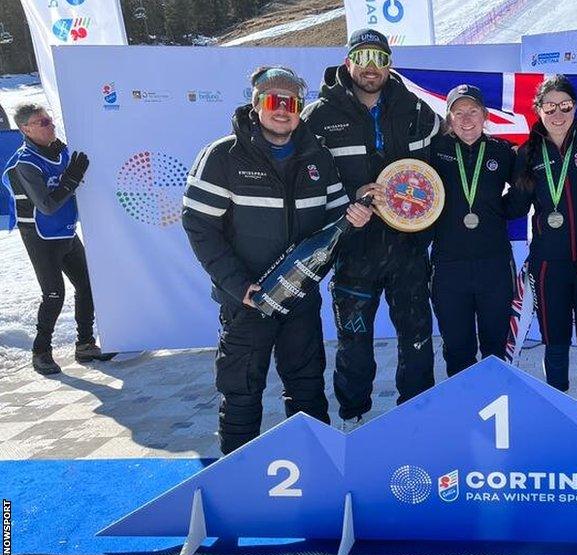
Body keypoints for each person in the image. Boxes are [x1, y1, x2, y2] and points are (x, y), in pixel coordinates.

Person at [182, 66, 372, 454]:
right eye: (273, 100)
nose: (283, 110)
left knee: (306, 387)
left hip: (300, 298)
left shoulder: (318, 155)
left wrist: (353, 219)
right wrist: (238, 286)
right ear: (256, 104)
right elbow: (199, 226)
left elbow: (335, 220)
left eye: (291, 102)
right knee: (241, 391)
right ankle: (236, 476)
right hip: (247, 301)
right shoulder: (222, 156)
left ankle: (316, 467)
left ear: (301, 107)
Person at [302, 29, 441, 430]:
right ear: (348, 62)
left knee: (416, 339)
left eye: (379, 58)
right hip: (353, 248)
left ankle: (416, 416)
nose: (370, 67)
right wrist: (349, 199)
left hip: (408, 249)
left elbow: (435, 173)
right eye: (361, 58)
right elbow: (306, 181)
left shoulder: (417, 110)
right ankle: (353, 416)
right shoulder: (319, 116)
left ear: (389, 64)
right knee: (354, 342)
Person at [507, 75, 577, 409]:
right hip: (548, 265)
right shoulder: (527, 152)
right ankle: (562, 410)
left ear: (575, 107)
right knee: (555, 340)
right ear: (538, 109)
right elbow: (514, 207)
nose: (558, 113)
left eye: (565, 106)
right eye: (549, 106)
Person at [2, 103, 115, 375]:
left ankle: (85, 343)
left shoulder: (60, 151)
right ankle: (41, 351)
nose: (50, 125)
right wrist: (72, 178)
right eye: (43, 123)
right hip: (41, 236)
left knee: (87, 284)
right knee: (54, 294)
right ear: (25, 129)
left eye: (50, 120)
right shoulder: (25, 163)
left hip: (65, 231)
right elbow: (46, 205)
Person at [427, 84, 517, 376]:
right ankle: (464, 411)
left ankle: (494, 406)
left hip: (494, 264)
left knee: (495, 346)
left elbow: (522, 197)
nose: (466, 119)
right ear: (449, 118)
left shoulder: (502, 152)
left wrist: (498, 210)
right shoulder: (434, 152)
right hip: (448, 266)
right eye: (458, 112)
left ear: (485, 115)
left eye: (473, 111)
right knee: (457, 349)